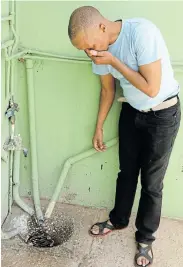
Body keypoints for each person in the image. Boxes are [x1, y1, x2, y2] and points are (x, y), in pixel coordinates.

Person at [68, 6, 181, 267]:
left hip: (162, 113)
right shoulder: (98, 51)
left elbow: (152, 88)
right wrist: (98, 127)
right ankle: (118, 220)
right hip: (130, 110)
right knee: (126, 172)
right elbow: (108, 90)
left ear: (102, 27)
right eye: (84, 50)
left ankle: (146, 238)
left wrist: (113, 61)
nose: (91, 52)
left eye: (90, 45)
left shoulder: (142, 32)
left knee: (152, 183)